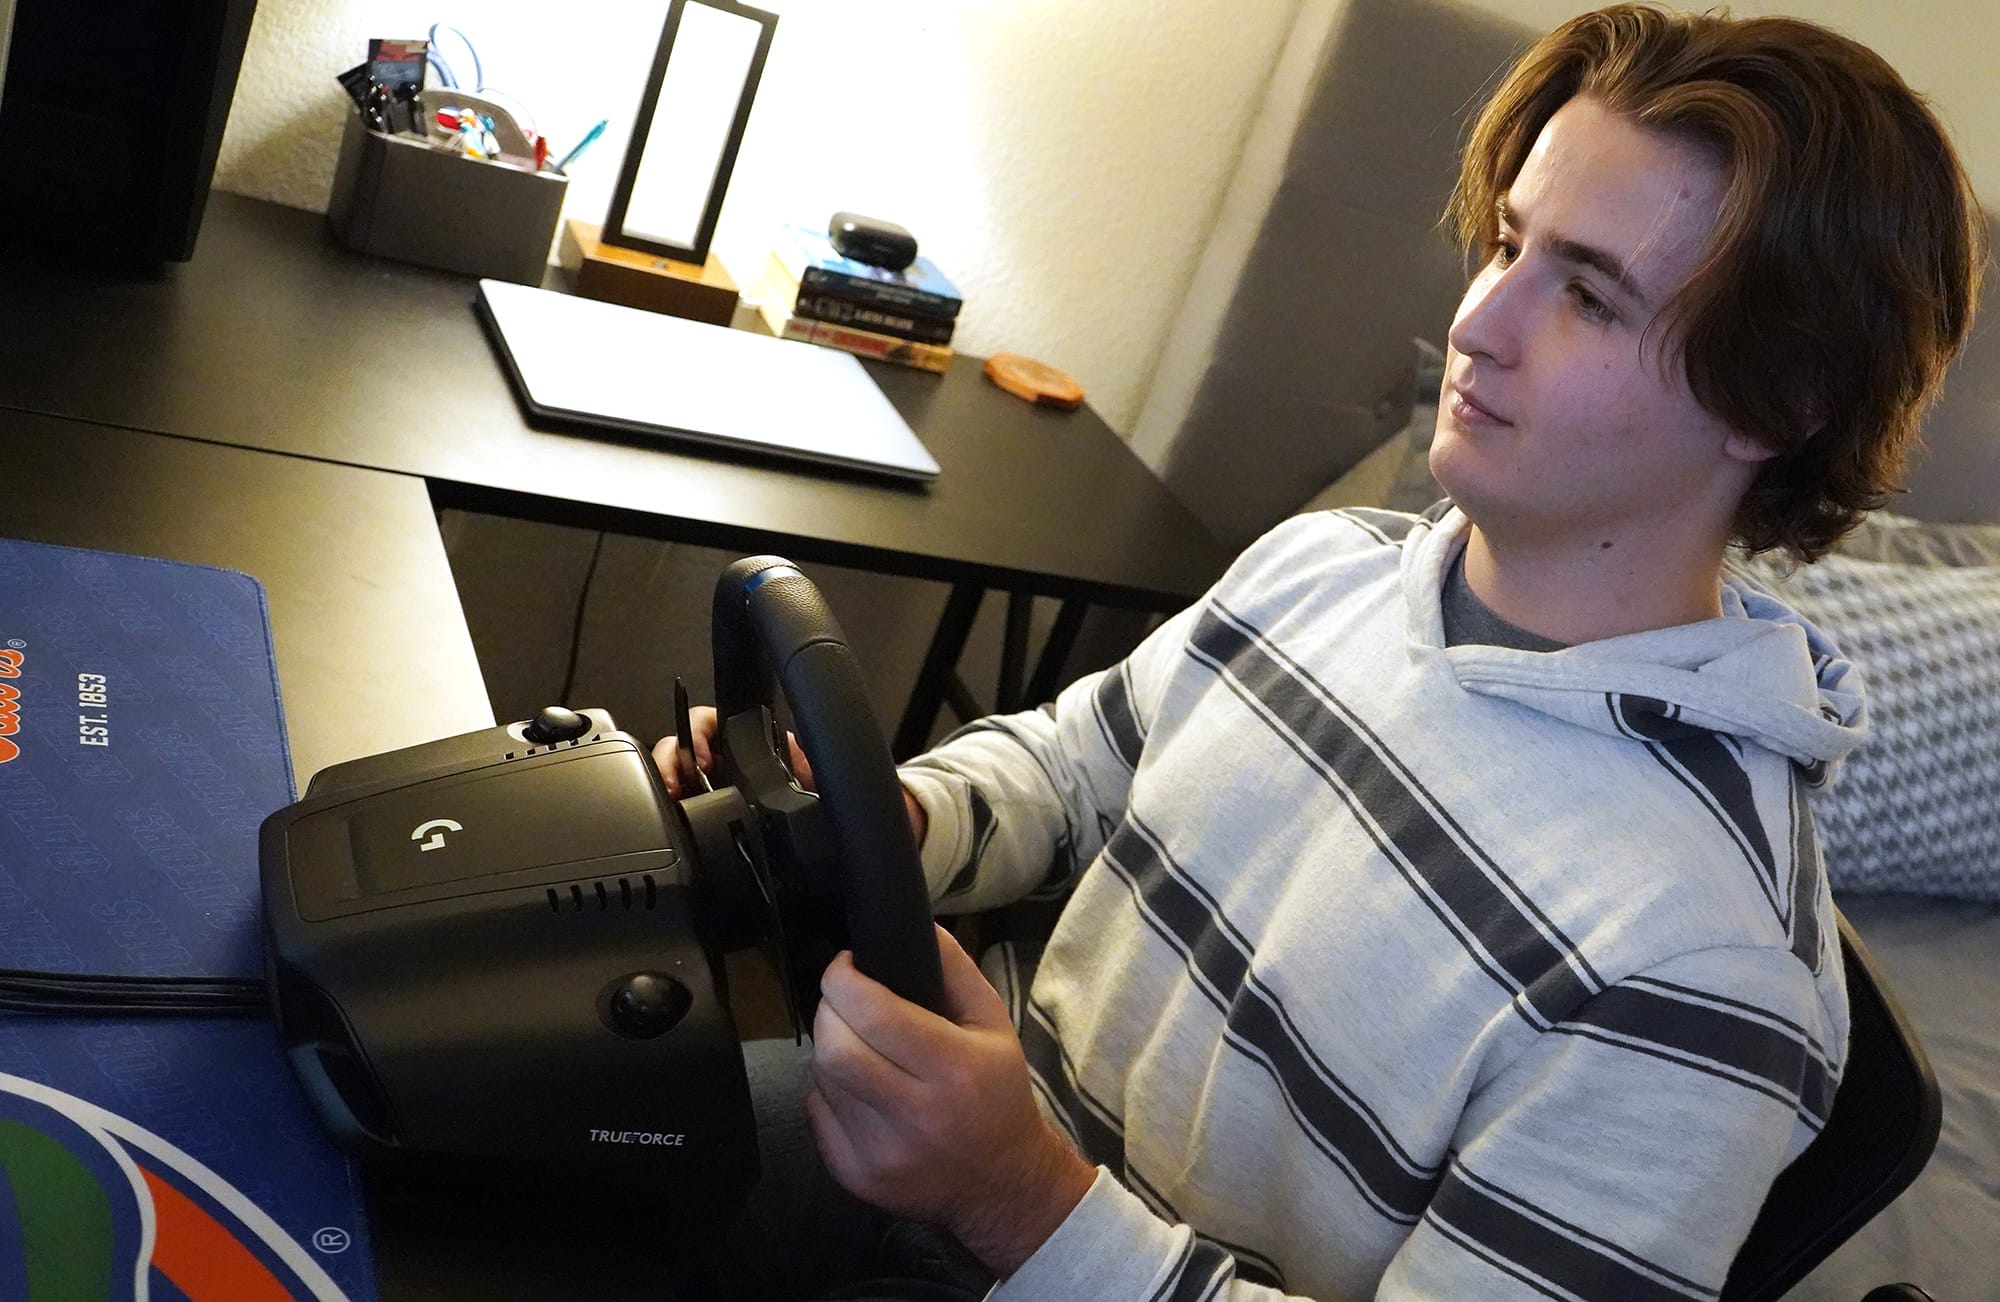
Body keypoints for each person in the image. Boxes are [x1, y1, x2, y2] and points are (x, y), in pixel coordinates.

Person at [660, 6, 1986, 1297]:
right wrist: (889, 818)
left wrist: (1019, 1196)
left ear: (1783, 399)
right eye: (1511, 243)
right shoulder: (1331, 562)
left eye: (1586, 293)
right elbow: (1077, 766)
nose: (1481, 321)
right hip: (957, 1164)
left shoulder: (1705, 974)